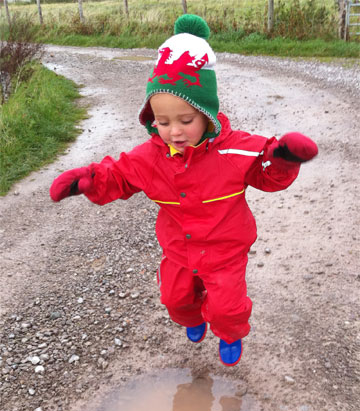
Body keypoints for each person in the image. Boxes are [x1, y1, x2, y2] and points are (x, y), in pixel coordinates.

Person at [49, 14, 318, 366]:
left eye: (185, 120)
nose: (173, 131)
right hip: (178, 249)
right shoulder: (149, 158)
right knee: (176, 300)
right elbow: (118, 175)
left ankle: (229, 332)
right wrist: (88, 181)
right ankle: (193, 318)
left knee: (227, 306)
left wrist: (283, 158)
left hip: (225, 251)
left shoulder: (235, 150)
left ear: (207, 114)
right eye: (162, 122)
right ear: (151, 119)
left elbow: (266, 171)